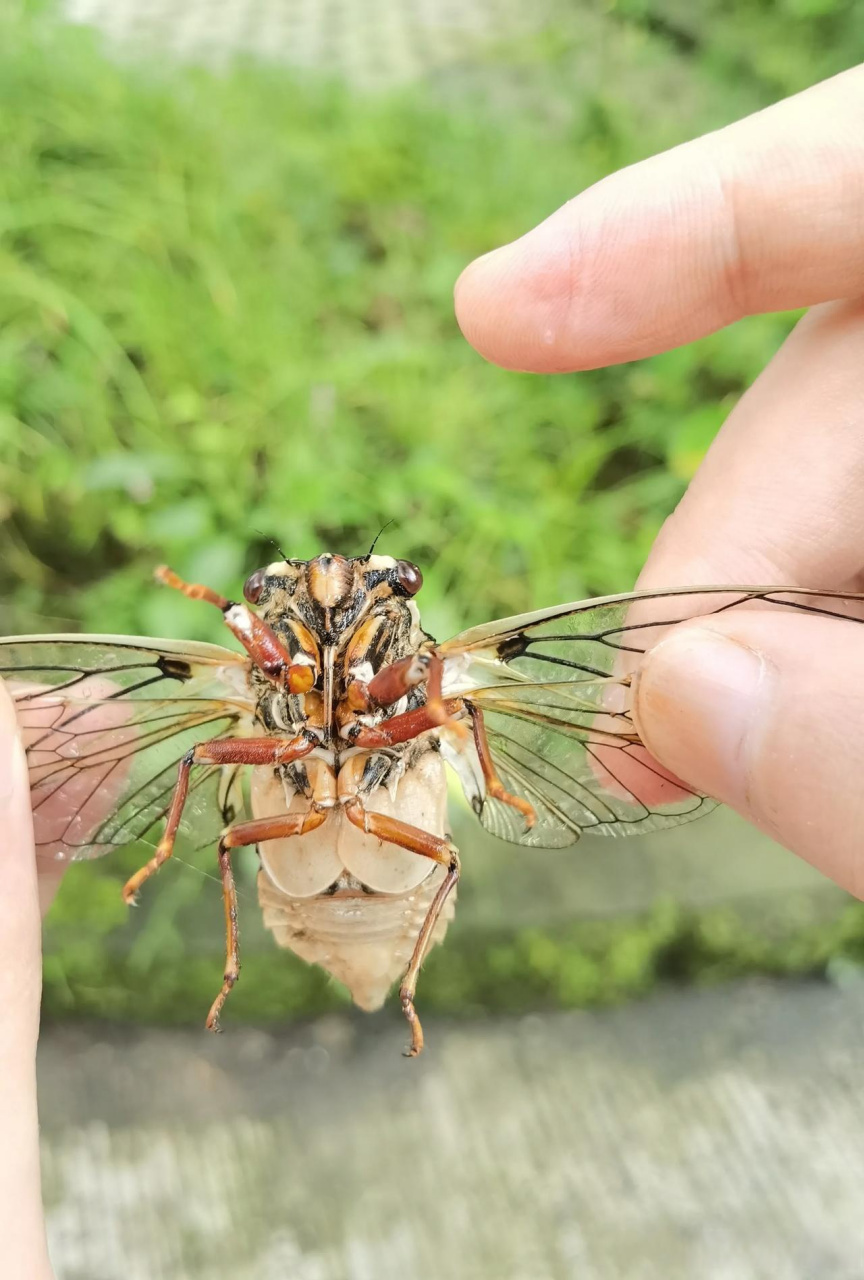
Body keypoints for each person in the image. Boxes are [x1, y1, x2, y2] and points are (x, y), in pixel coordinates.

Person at [3, 64, 863, 1274]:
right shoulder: (252, 676)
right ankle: (251, 951)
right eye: (294, 614)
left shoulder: (435, 677)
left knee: (466, 736)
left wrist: (494, 769)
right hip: (294, 851)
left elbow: (475, 703)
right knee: (210, 754)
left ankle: (399, 977)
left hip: (406, 855)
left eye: (372, 604)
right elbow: (193, 738)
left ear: (398, 617)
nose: (330, 625)